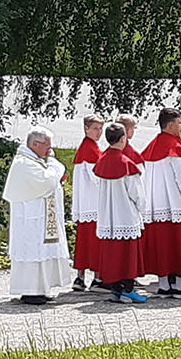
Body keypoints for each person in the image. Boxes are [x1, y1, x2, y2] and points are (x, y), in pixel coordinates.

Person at [1, 126, 73, 303]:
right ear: (34, 144)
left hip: (41, 219)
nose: (50, 149)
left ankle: (41, 288)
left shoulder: (35, 160)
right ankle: (30, 291)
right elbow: (47, 181)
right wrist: (55, 163)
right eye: (46, 145)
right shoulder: (24, 163)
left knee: (43, 252)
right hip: (30, 220)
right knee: (32, 252)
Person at [142, 108, 181, 298]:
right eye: (179, 123)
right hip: (177, 204)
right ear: (169, 125)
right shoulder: (176, 148)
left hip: (156, 206)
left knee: (163, 248)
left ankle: (164, 285)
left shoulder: (152, 147)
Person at [96, 123, 147, 303]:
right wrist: (143, 209)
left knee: (113, 255)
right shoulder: (127, 164)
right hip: (125, 215)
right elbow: (136, 193)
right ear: (123, 138)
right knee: (127, 255)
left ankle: (116, 289)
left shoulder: (101, 161)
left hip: (108, 216)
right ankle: (128, 289)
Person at [71, 115, 103, 292]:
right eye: (95, 128)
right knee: (94, 241)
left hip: (85, 203)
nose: (99, 132)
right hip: (93, 202)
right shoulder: (90, 150)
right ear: (86, 129)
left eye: (100, 129)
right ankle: (97, 277)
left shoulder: (86, 148)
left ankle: (80, 276)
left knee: (83, 241)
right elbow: (97, 177)